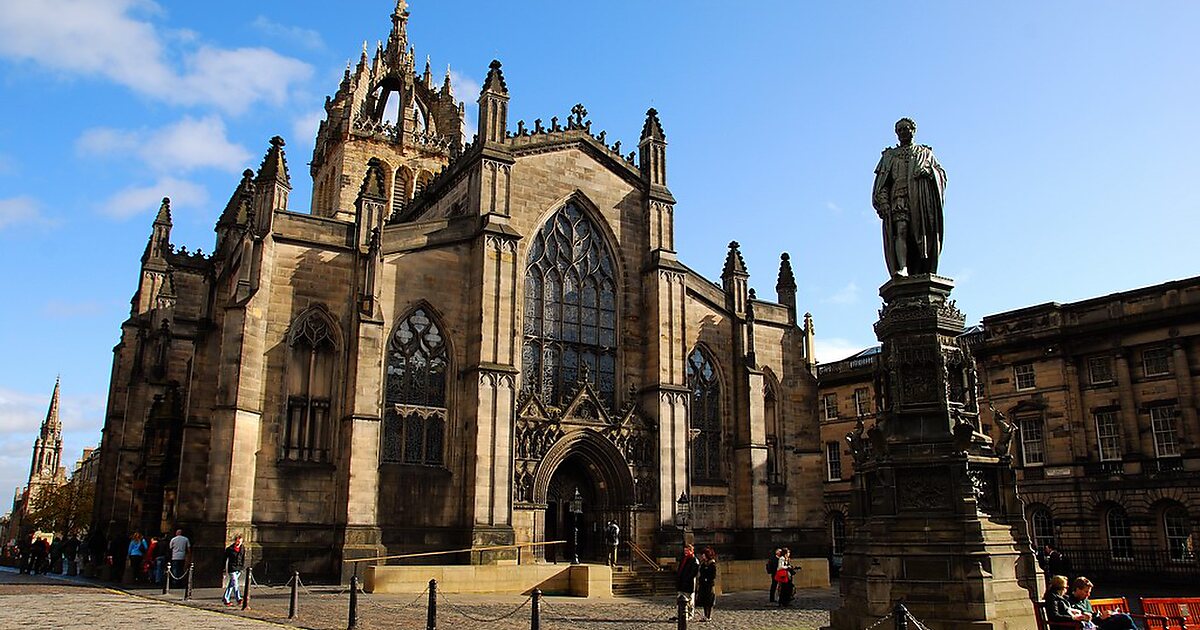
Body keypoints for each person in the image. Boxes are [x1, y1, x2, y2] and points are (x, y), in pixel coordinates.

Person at [872, 117, 947, 278]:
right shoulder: (889, 156)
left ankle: (923, 266)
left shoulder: (925, 153)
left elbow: (941, 174)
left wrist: (929, 173)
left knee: (918, 233)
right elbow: (881, 183)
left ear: (913, 130)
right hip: (899, 196)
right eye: (899, 130)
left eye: (906, 128)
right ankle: (903, 267)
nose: (903, 132)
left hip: (920, 200)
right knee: (901, 230)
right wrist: (883, 201)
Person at [1069, 576, 1135, 630]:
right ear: (1077, 589)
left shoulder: (1086, 601)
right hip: (1091, 627)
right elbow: (1085, 622)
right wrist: (1100, 618)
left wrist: (1103, 616)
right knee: (1124, 617)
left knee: (1125, 622)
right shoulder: (1069, 602)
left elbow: (1093, 616)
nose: (1088, 595)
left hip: (1098, 623)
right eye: (1086, 592)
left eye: (1089, 592)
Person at [672, 543, 700, 622]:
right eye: (685, 551)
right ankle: (682, 614)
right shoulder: (684, 559)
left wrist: (686, 580)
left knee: (689, 601)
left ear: (691, 551)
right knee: (681, 600)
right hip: (681, 584)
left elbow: (693, 574)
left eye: (687, 551)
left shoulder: (694, 560)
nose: (686, 552)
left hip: (689, 584)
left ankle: (689, 615)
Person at [695, 547, 718, 622]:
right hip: (703, 585)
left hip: (709, 585)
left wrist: (706, 579)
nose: (702, 556)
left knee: (709, 600)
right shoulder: (703, 564)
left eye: (703, 555)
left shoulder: (712, 564)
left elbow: (713, 575)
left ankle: (708, 615)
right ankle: (705, 615)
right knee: (704, 601)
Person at [222, 534, 246, 606]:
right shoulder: (230, 549)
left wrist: (242, 567)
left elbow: (243, 558)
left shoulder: (242, 548)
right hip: (232, 568)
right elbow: (224, 559)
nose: (239, 543)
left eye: (240, 542)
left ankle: (226, 598)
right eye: (238, 541)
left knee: (231, 584)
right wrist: (223, 570)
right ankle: (238, 598)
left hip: (238, 568)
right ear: (235, 541)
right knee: (235, 583)